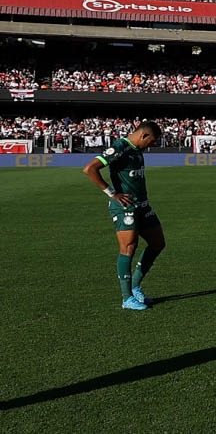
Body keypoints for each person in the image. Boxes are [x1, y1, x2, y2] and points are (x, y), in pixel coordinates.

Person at [82, 121, 164, 310]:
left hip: (143, 205)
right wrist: (112, 193)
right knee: (129, 247)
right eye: (151, 142)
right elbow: (90, 169)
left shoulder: (137, 150)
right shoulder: (120, 147)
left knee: (158, 243)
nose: (151, 146)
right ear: (143, 135)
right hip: (125, 207)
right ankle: (127, 298)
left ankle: (135, 286)